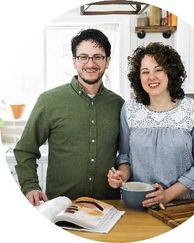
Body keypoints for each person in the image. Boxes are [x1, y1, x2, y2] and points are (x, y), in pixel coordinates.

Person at [14, 28, 124, 206]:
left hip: (108, 205)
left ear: (108, 61)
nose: (91, 63)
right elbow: (25, 150)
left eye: (98, 56)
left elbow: (125, 156)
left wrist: (121, 174)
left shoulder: (119, 105)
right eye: (83, 57)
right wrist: (30, 186)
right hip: (61, 207)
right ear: (74, 61)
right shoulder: (49, 101)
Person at [107, 42, 194, 209]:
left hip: (182, 206)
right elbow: (124, 157)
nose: (151, 77)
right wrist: (121, 175)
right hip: (138, 205)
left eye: (158, 70)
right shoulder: (129, 109)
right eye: (145, 72)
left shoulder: (193, 109)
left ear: (170, 72)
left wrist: (168, 194)